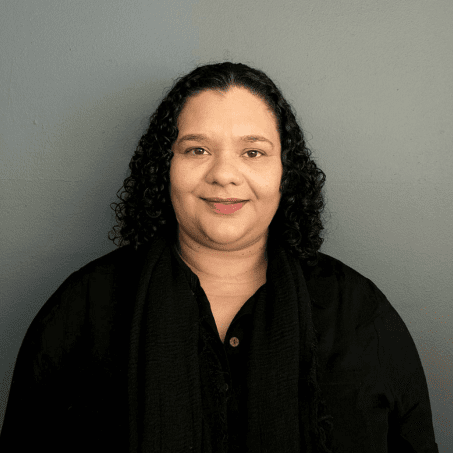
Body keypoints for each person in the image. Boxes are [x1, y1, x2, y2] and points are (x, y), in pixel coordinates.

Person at [0, 62, 438, 453]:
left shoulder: (360, 315)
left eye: (253, 152)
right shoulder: (81, 310)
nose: (225, 174)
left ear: (285, 172)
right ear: (164, 168)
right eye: (197, 150)